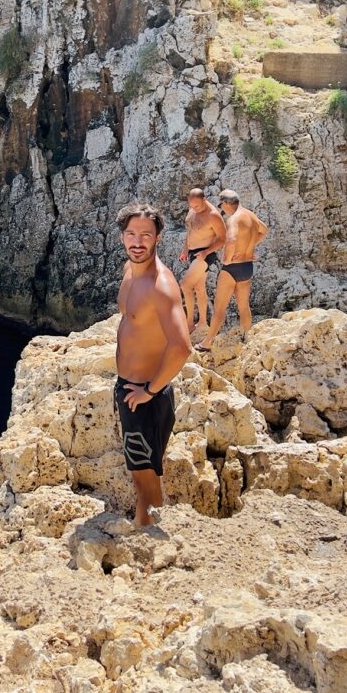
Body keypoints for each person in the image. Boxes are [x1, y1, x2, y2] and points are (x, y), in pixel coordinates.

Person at [115, 202, 191, 527]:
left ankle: (149, 542)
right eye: (131, 233)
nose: (137, 241)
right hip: (129, 389)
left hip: (145, 397)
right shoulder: (130, 272)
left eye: (146, 234)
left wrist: (149, 391)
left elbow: (182, 347)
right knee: (138, 471)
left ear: (158, 238)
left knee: (146, 479)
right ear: (122, 238)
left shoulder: (161, 286)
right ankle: (143, 525)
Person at [195, 189, 268, 351]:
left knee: (220, 308)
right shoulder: (251, 215)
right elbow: (264, 230)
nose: (223, 210)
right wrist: (251, 247)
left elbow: (232, 239)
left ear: (226, 204)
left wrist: (227, 258)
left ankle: (207, 343)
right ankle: (248, 337)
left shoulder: (233, 219)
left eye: (222, 206)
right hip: (247, 267)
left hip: (231, 268)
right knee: (244, 306)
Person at [179, 187, 226, 334]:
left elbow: (222, 239)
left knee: (185, 286)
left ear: (204, 200)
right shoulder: (193, 210)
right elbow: (191, 231)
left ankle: (189, 323)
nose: (194, 208)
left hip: (205, 254)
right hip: (193, 253)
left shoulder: (213, 215)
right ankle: (203, 322)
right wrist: (185, 249)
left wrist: (206, 252)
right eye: (191, 206)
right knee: (199, 288)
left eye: (197, 206)